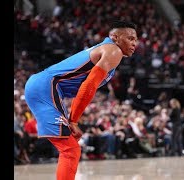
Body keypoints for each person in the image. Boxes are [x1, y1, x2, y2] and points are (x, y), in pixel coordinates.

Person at [24, 20, 137, 180]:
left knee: (70, 148)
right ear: (115, 37)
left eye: (135, 39)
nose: (135, 43)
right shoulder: (113, 51)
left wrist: (72, 119)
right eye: (130, 38)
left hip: (48, 88)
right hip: (46, 87)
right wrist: (74, 120)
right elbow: (88, 86)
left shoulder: (105, 49)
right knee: (70, 150)